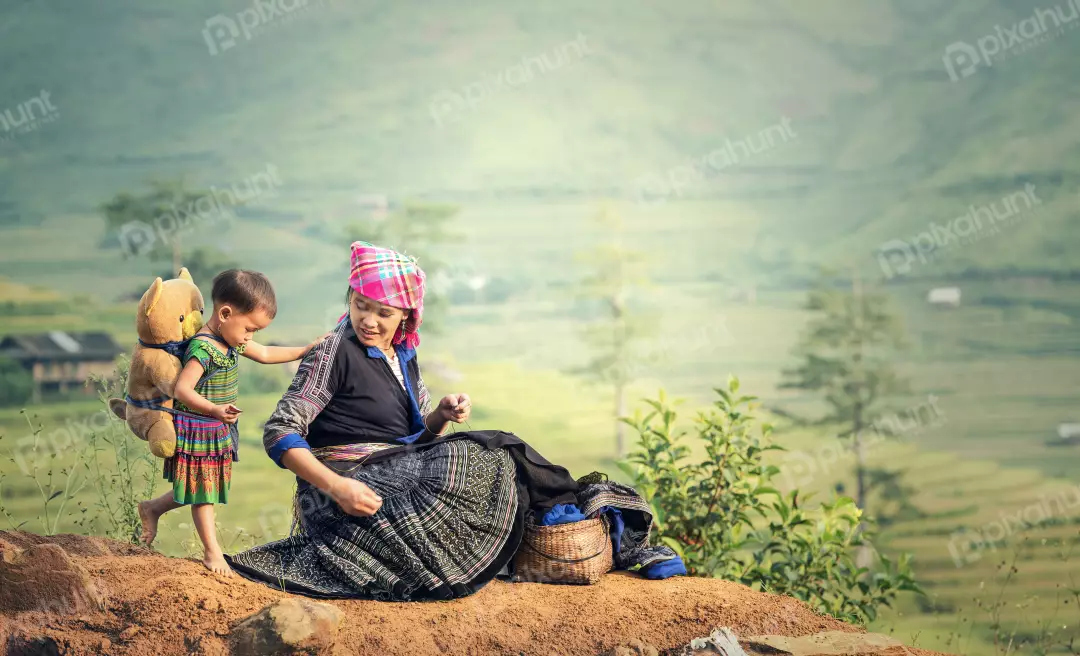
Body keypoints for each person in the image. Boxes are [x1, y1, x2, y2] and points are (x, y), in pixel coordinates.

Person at [228, 242, 679, 599]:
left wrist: (440, 416)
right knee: (491, 450)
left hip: (394, 472)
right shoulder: (333, 350)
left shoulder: (404, 357)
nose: (368, 320)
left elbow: (410, 439)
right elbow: (280, 430)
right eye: (360, 305)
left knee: (491, 461)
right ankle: (606, 532)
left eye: (382, 313)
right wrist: (337, 487)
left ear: (405, 316)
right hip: (345, 490)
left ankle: (593, 531)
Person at [138, 269, 327, 576]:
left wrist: (305, 350)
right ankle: (212, 554)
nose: (251, 337)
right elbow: (184, 389)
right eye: (250, 329)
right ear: (225, 313)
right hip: (199, 427)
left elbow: (265, 353)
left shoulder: (231, 340)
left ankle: (153, 508)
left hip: (217, 427)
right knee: (204, 493)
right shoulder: (204, 348)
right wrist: (213, 409)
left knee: (202, 486)